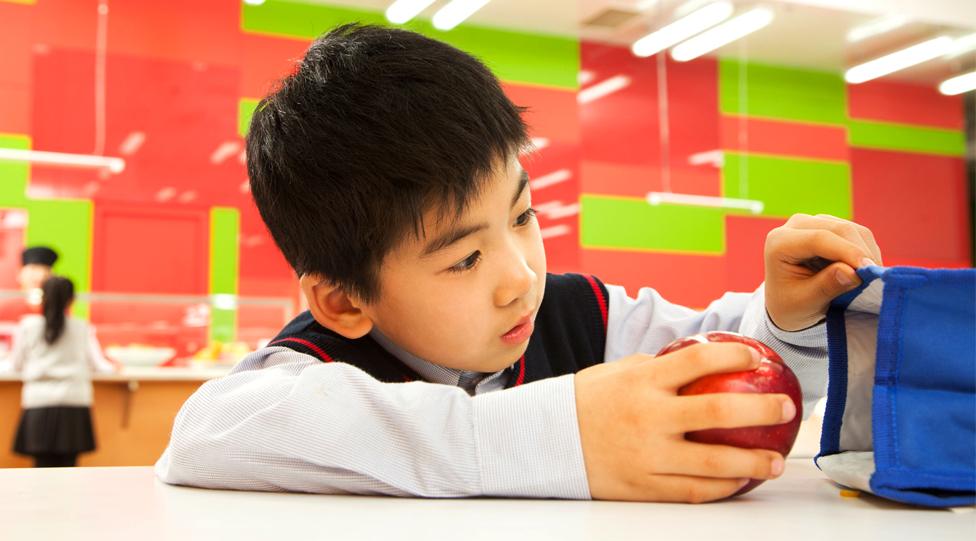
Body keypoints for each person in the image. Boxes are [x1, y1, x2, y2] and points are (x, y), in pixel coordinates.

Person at [155, 24, 883, 502]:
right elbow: (210, 431)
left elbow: (718, 356)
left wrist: (784, 320)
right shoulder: (317, 366)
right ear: (346, 300)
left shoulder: (582, 317)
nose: (520, 276)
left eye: (525, 216)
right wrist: (560, 433)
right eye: (465, 257)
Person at [10, 276, 115, 467]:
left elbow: (15, 365)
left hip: (37, 403)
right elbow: (99, 366)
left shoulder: (28, 326)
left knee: (40, 468)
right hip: (74, 403)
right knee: (69, 469)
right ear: (72, 299)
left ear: (43, 298)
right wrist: (116, 366)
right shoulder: (82, 327)